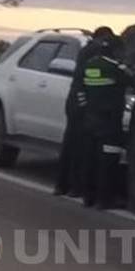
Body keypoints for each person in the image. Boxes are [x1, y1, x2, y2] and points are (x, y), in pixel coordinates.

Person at [53, 27, 114, 196]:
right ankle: (76, 186)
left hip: (76, 100)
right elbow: (92, 77)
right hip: (85, 103)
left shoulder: (86, 50)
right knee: (82, 147)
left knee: (70, 144)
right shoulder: (95, 52)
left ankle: (62, 185)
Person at [80, 32, 135, 209]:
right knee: (108, 160)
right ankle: (104, 200)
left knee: (90, 158)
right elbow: (134, 81)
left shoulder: (90, 65)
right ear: (115, 51)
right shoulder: (115, 68)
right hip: (110, 122)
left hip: (90, 119)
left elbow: (82, 92)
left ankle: (88, 197)